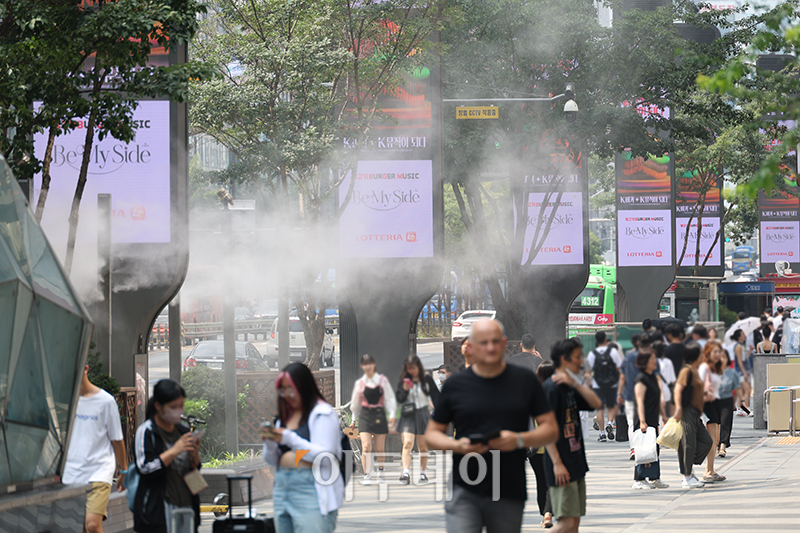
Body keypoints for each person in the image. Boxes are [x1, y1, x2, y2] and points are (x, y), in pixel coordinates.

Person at [425, 319, 559, 533]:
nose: (489, 347)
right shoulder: (456, 385)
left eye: (495, 341)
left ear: (504, 343)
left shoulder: (523, 381)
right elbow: (432, 435)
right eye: (483, 342)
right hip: (465, 484)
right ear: (471, 345)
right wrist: (458, 445)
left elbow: (551, 428)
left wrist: (519, 440)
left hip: (508, 487)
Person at [263, 363, 343, 533]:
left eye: (291, 389)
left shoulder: (322, 413)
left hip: (311, 488)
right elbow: (272, 459)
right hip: (282, 487)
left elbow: (325, 455)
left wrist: (290, 439)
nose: (288, 395)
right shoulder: (283, 418)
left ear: (304, 387)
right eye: (283, 390)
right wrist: (270, 443)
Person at [542, 338, 602, 533]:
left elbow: (596, 403)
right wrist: (557, 463)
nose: (581, 361)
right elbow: (546, 430)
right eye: (577, 357)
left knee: (573, 524)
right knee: (566, 524)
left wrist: (576, 384)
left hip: (576, 462)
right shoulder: (551, 388)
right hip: (561, 465)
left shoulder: (569, 386)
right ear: (564, 359)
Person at [63, 365, 127, 533]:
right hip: (71, 472)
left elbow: (117, 439)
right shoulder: (66, 400)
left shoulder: (105, 401)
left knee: (92, 524)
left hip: (99, 470)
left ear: (85, 368)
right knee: (79, 526)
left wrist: (124, 470)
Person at [133, 379, 202, 533]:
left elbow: (194, 469)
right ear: (158, 406)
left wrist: (194, 455)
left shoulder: (183, 432)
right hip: (158, 511)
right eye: (173, 407)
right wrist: (174, 451)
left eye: (181, 406)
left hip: (186, 507)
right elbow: (144, 468)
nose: (178, 411)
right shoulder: (147, 432)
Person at [350, 354, 396, 485]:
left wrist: (392, 415)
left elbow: (390, 399)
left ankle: (381, 471)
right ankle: (367, 474)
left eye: (369, 364)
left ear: (373, 365)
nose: (367, 366)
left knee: (379, 447)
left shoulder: (382, 381)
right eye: (365, 364)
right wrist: (353, 420)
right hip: (365, 416)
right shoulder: (359, 383)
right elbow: (355, 404)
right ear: (362, 366)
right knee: (366, 446)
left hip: (379, 415)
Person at [673, 342, 714, 489]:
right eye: (701, 353)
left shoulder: (694, 370)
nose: (703, 356)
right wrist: (678, 409)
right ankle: (687, 477)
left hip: (696, 412)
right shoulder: (686, 370)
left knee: (706, 441)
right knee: (688, 443)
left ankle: (685, 465)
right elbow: (678, 389)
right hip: (686, 411)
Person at [396, 354, 439, 484]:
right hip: (408, 415)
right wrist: (404, 390)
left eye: (413, 368)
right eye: (409, 368)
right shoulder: (404, 381)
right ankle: (406, 473)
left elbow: (436, 397)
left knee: (423, 446)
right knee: (407, 443)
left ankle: (422, 473)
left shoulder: (427, 380)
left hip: (423, 415)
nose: (411, 371)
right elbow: (399, 399)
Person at [632, 349, 669, 489]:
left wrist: (663, 415)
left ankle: (654, 477)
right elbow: (640, 401)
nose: (655, 361)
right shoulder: (641, 378)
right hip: (643, 418)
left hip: (652, 418)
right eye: (652, 359)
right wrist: (642, 421)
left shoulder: (653, 377)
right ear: (645, 362)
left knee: (653, 449)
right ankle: (639, 480)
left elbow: (657, 399)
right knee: (643, 449)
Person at [619, 333, 653, 457]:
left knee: (631, 423)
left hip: (629, 394)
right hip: (647, 395)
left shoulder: (628, 358)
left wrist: (619, 393)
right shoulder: (650, 358)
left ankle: (633, 448)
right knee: (647, 422)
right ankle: (646, 448)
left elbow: (622, 377)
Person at [531, 362, 556, 528]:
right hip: (553, 446)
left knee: (541, 481)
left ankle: (544, 512)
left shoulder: (532, 396)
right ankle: (548, 513)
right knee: (551, 482)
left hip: (535, 448)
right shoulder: (556, 394)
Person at [584, 331, 621, 442]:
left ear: (596, 340)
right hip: (611, 383)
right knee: (612, 406)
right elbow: (618, 368)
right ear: (605, 339)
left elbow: (588, 371)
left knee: (600, 409)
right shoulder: (613, 352)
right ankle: (610, 423)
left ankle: (602, 433)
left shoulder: (592, 354)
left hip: (597, 384)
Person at [698, 341, 726, 483]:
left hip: (716, 403)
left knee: (716, 440)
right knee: (711, 440)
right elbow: (700, 387)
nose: (717, 355)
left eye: (718, 352)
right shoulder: (704, 367)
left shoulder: (716, 368)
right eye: (714, 352)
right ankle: (707, 471)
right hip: (707, 405)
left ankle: (711, 469)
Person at [717, 349, 742, 458]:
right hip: (714, 402)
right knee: (716, 424)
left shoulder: (732, 373)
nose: (722, 359)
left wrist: (738, 401)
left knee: (725, 423)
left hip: (727, 400)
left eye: (724, 357)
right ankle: (716, 445)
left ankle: (722, 446)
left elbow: (736, 387)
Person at [730, 329, 753, 416]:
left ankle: (740, 408)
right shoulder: (739, 346)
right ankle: (747, 409)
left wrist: (750, 351)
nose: (744, 335)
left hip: (740, 371)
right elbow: (739, 361)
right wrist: (744, 372)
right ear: (739, 337)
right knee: (747, 390)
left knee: (743, 391)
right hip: (740, 371)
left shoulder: (740, 346)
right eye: (743, 334)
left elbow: (744, 358)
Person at [654, 340, 676, 416]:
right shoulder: (668, 362)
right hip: (667, 391)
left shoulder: (652, 362)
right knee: (667, 416)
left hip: (654, 391)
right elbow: (672, 380)